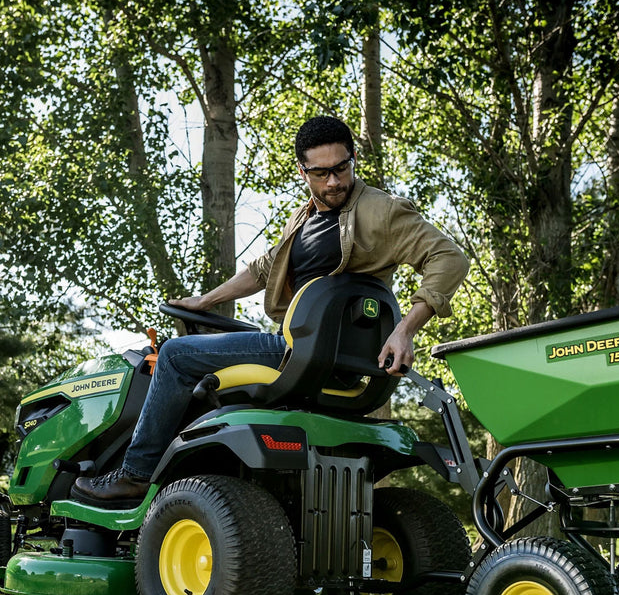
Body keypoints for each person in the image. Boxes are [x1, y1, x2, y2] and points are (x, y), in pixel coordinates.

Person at [72, 115, 469, 507]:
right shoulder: (304, 218)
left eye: (342, 168)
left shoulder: (380, 210)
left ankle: (135, 474)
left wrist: (405, 329)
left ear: (352, 160)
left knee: (175, 355)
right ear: (303, 172)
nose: (334, 181)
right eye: (321, 173)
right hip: (306, 346)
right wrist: (204, 301)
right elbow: (265, 268)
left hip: (308, 351)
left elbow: (449, 257)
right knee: (210, 351)